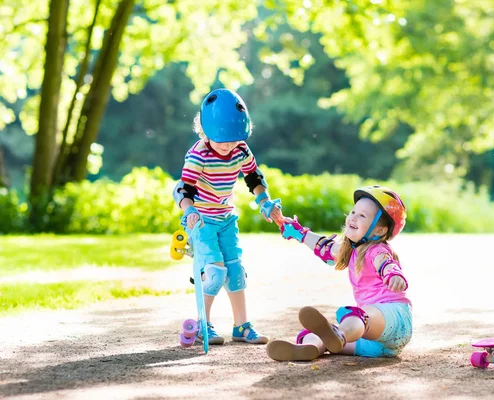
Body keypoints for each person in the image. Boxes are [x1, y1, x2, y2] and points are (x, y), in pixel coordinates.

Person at [173, 88, 283, 345]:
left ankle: (241, 326)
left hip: (226, 217)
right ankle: (204, 325)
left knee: (235, 271)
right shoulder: (198, 154)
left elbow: (253, 177)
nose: (228, 146)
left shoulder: (240, 149)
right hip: (201, 219)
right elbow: (184, 188)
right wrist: (189, 210)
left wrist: (264, 202)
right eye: (222, 141)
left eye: (234, 140)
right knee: (214, 273)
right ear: (205, 131)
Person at [266, 185, 412, 360]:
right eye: (353, 212)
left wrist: (393, 274)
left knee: (357, 316)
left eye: (362, 216)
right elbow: (326, 248)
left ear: (379, 230)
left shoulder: (377, 250)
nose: (353, 217)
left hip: (395, 319)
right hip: (375, 344)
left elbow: (385, 263)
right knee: (317, 334)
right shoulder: (351, 250)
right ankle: (309, 346)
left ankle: (339, 334)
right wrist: (298, 232)